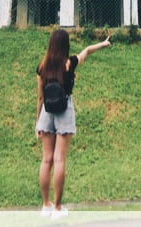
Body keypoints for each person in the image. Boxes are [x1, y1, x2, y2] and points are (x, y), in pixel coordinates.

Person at [35, 29, 111, 217]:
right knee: (59, 159)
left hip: (46, 111)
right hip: (64, 111)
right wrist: (102, 44)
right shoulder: (69, 63)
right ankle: (58, 208)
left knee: (46, 160)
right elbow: (86, 51)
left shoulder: (42, 66)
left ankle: (46, 205)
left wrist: (38, 123)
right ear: (65, 45)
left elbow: (39, 98)